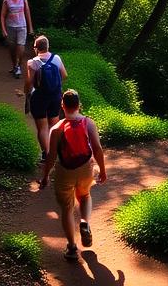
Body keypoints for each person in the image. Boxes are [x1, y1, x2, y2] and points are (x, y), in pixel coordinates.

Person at [39, 90, 107, 262]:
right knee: (84, 196)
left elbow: (51, 157)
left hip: (64, 171)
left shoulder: (56, 129)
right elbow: (97, 149)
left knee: (67, 209)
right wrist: (102, 170)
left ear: (62, 105)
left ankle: (71, 247)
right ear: (79, 105)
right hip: (85, 168)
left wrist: (45, 176)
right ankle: (84, 222)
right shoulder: (88, 123)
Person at [25, 35, 68, 161]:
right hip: (55, 96)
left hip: (39, 97)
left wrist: (27, 92)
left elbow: (29, 82)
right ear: (48, 47)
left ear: (36, 48)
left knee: (42, 128)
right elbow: (64, 75)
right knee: (54, 125)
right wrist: (54, 84)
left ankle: (46, 154)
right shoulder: (56, 58)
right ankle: (55, 151)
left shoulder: (32, 62)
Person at [0, 0, 33, 78]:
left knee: (21, 46)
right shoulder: (7, 1)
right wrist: (3, 29)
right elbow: (2, 16)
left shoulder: (24, 0)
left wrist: (30, 27)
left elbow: (27, 13)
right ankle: (14, 65)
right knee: (12, 48)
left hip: (22, 26)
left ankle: (18, 66)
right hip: (10, 27)